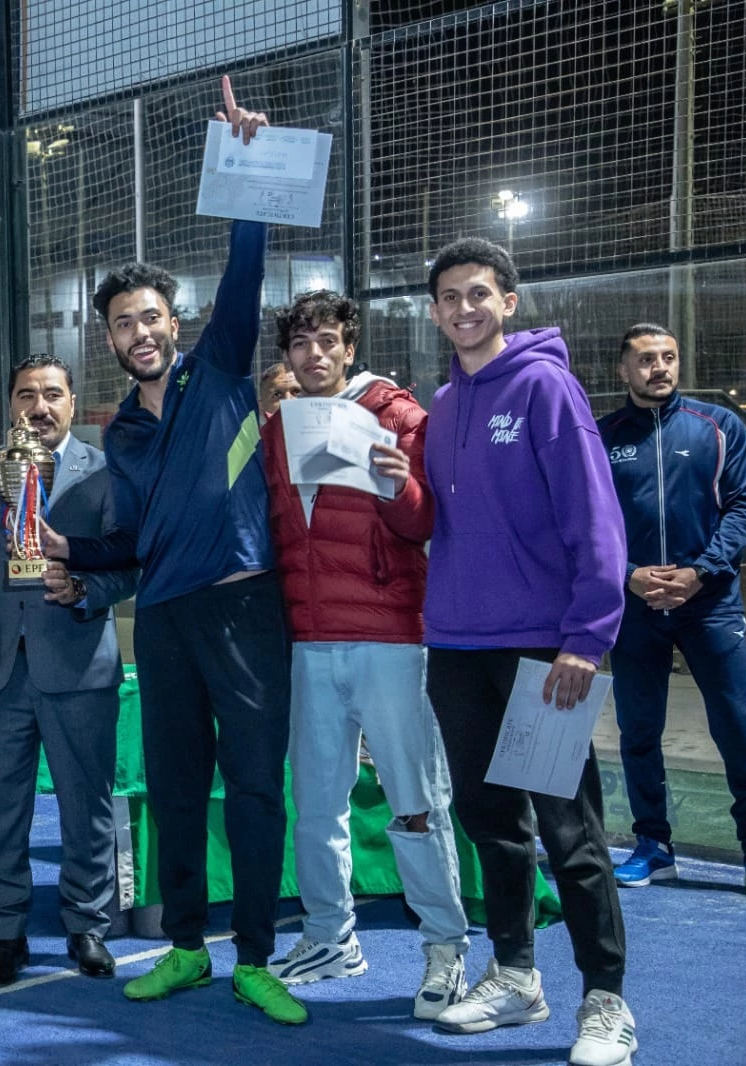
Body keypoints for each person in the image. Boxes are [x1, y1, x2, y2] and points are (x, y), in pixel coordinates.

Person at [39, 77, 307, 1025]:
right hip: (162, 617)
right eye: (123, 322)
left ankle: (259, 955)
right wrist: (68, 548)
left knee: (252, 788)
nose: (140, 332)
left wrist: (246, 162)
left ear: (175, 323)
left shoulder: (226, 370)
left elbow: (248, 264)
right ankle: (188, 948)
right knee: (179, 788)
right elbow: (140, 542)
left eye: (152, 316)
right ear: (109, 338)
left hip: (244, 611)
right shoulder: (122, 437)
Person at [421, 238, 636, 1066]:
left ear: (508, 301)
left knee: (567, 831)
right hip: (457, 648)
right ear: (436, 311)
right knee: (491, 825)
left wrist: (587, 638)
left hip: (549, 648)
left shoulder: (548, 387)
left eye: (479, 293)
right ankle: (516, 975)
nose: (464, 308)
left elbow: (595, 519)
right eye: (449, 297)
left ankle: (606, 999)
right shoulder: (442, 407)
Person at [258, 291, 470, 1019]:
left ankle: (445, 945)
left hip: (390, 638)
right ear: (286, 355)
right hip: (309, 639)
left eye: (326, 342)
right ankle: (329, 936)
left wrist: (395, 485)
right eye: (300, 344)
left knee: (415, 804)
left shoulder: (403, 416)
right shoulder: (275, 428)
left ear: (349, 346)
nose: (313, 355)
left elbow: (427, 521)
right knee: (316, 803)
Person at [0, 355, 138, 987]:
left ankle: (86, 925)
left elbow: (129, 563)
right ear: (11, 404)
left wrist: (86, 591)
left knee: (86, 806)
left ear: (72, 403)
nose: (38, 407)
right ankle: (5, 932)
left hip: (78, 662)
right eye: (25, 396)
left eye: (51, 395)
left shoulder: (107, 473)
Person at [596, 323, 746, 892]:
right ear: (623, 370)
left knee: (739, 724)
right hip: (634, 608)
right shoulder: (602, 434)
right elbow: (590, 523)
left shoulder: (720, 426)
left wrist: (700, 571)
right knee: (638, 730)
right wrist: (630, 575)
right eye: (645, 360)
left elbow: (743, 505)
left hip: (709, 605)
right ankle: (653, 844)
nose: (658, 367)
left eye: (668, 357)